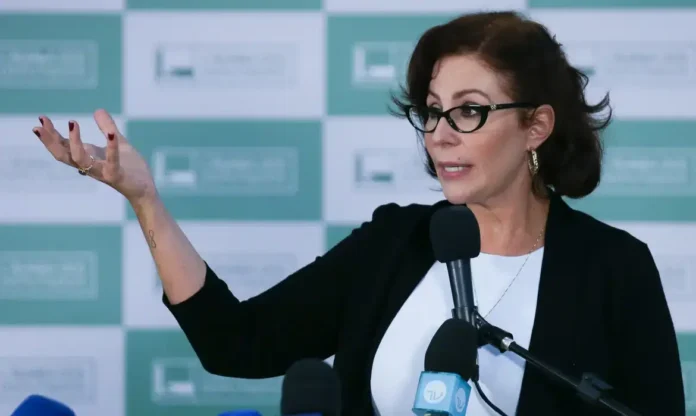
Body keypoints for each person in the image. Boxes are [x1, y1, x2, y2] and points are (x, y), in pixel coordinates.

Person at [31, 10, 684, 416]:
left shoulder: (613, 268)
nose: (440, 134)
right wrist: (145, 198)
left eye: (469, 111)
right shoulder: (395, 241)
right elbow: (237, 343)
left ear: (536, 125)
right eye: (432, 111)